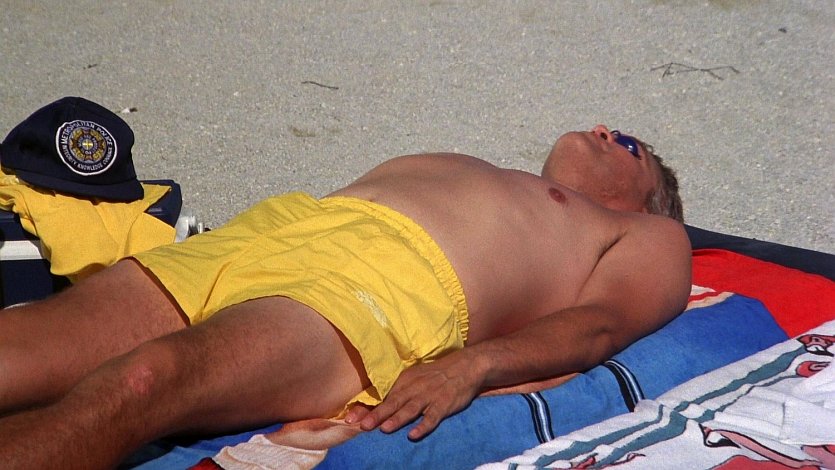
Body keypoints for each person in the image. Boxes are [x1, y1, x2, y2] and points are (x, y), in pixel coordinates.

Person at [0, 125, 690, 469]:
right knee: (19, 348)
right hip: (282, 226)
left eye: (627, 144)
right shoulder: (493, 175)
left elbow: (600, 325)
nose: (604, 129)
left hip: (387, 285)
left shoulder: (645, 233)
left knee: (147, 381)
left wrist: (475, 365)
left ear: (647, 198)